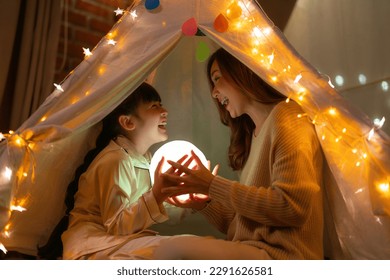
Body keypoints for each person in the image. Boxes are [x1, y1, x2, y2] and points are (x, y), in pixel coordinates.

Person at [153, 48, 325, 260]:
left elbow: (291, 208)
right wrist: (203, 202)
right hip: (255, 252)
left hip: (284, 258)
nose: (214, 93)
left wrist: (211, 184)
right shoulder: (252, 136)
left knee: (172, 251)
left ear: (243, 72)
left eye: (217, 79)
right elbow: (243, 224)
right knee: (162, 248)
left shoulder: (287, 116)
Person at [39, 82, 190, 260]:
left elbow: (155, 210)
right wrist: (157, 195)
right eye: (154, 106)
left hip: (112, 242)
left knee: (182, 248)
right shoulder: (116, 160)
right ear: (127, 121)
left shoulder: (145, 161)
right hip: (90, 246)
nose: (165, 111)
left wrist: (189, 198)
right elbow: (117, 224)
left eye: (161, 104)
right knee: (177, 250)